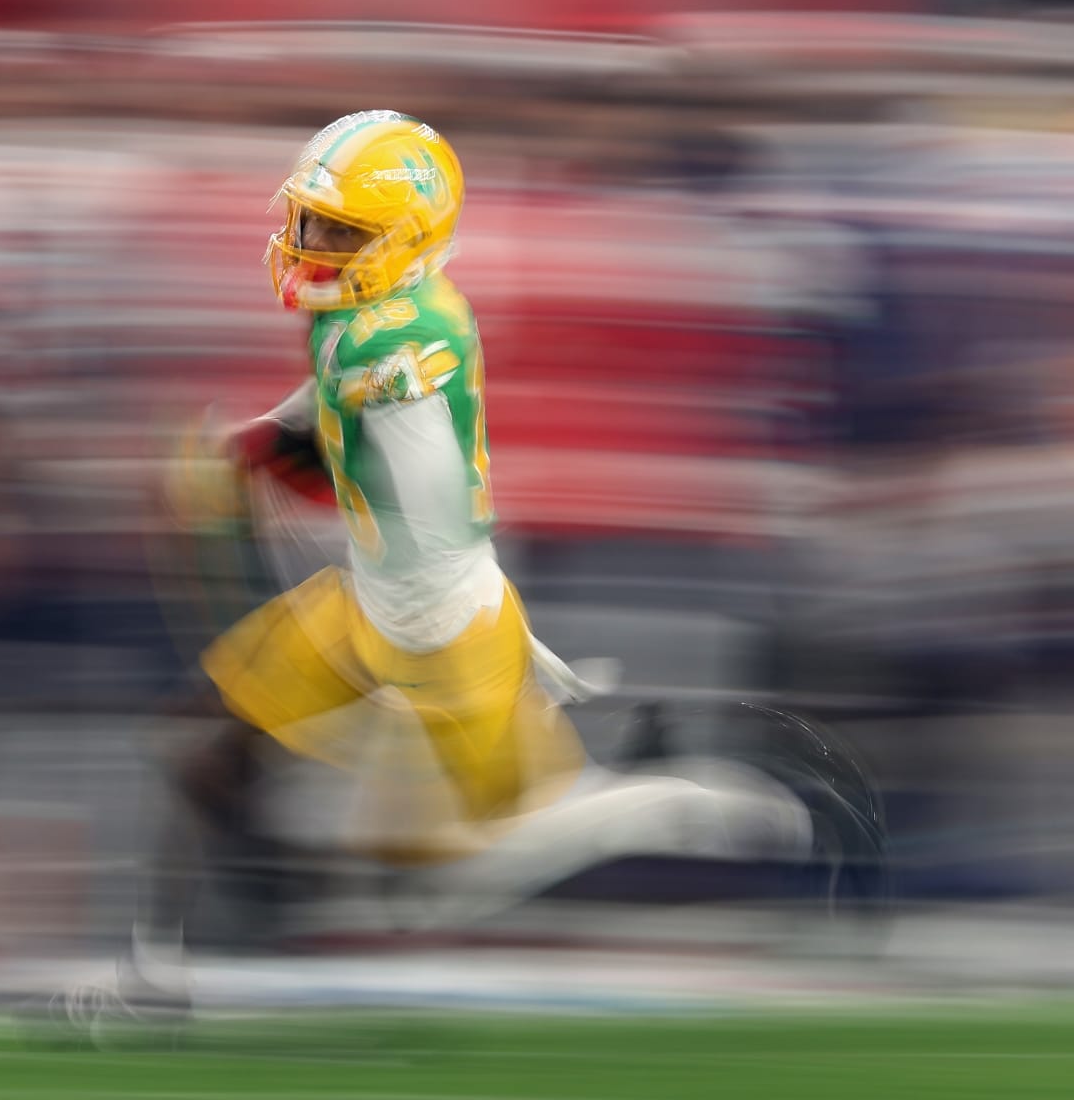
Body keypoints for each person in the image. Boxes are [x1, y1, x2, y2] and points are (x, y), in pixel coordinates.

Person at [42, 111, 826, 1041]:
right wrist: (252, 444)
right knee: (202, 747)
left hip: (439, 630)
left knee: (460, 868)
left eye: (339, 230)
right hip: (377, 602)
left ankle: (683, 801)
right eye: (310, 221)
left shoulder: (403, 348)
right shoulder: (372, 318)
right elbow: (331, 397)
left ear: (402, 238)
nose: (311, 244)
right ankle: (155, 977)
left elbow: (427, 513)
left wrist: (386, 711)